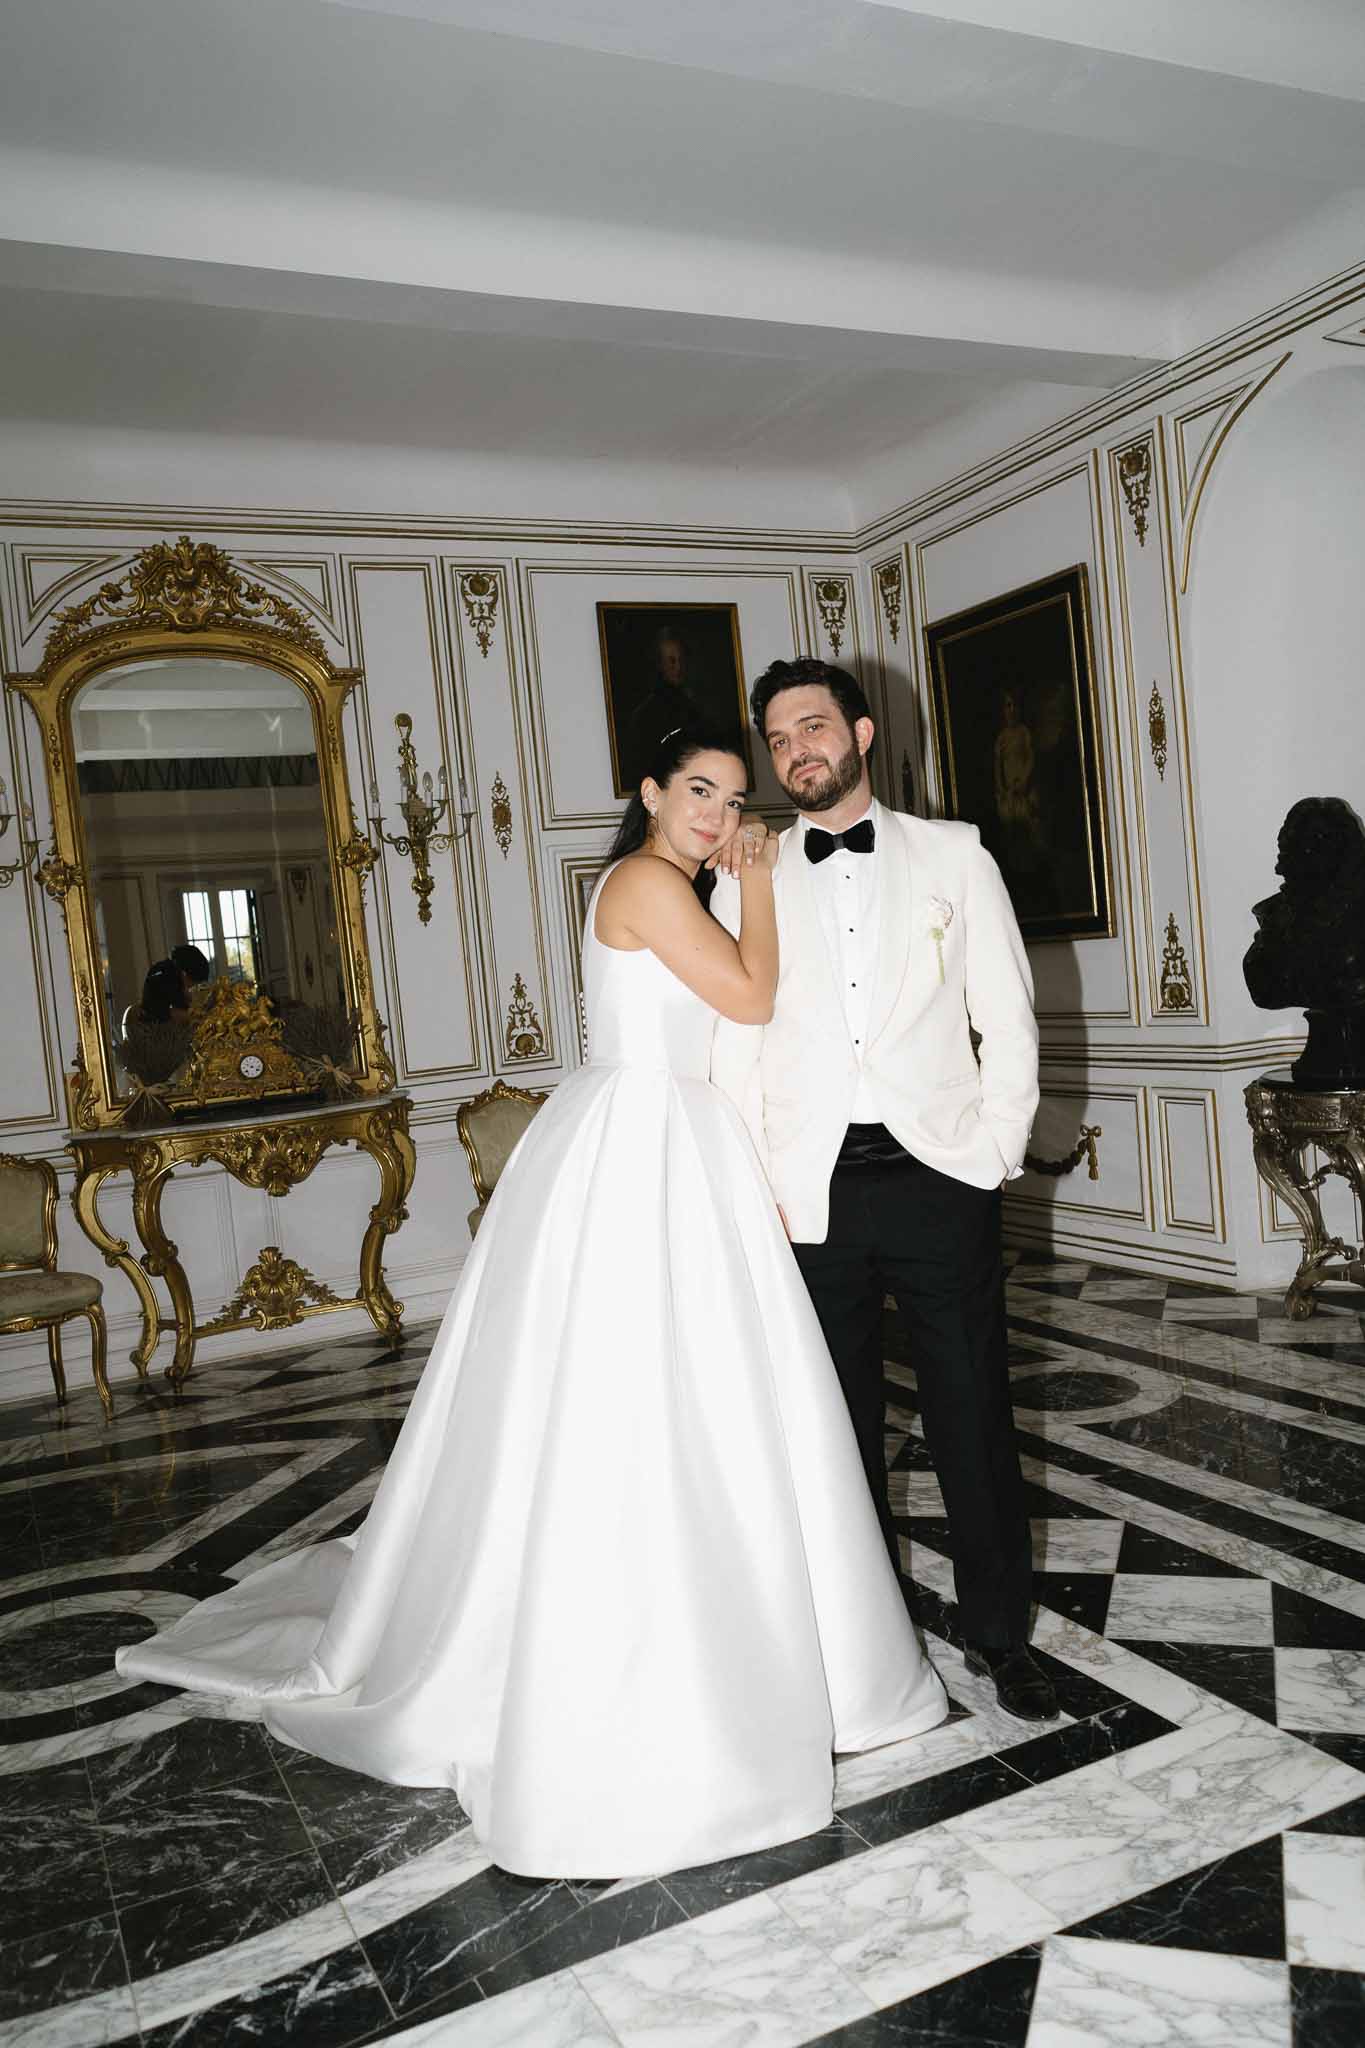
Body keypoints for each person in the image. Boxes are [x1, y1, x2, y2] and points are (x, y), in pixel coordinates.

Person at [115, 726, 947, 1879]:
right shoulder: (649, 880)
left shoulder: (670, 882)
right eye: (698, 790)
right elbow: (752, 996)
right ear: (650, 792)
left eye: (732, 797)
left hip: (677, 1137)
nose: (718, 813)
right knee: (638, 1391)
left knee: (705, 1390)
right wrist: (759, 879)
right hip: (645, 1141)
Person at [710, 658, 1055, 1721]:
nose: (796, 751)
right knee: (834, 1430)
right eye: (778, 739)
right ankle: (862, 1646)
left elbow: (1008, 1013)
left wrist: (994, 1151)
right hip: (809, 1191)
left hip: (940, 1174)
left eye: (812, 727)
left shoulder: (955, 853)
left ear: (861, 733)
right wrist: (755, 1183)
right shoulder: (749, 870)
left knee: (972, 1414)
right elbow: (736, 1044)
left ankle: (1000, 1634)